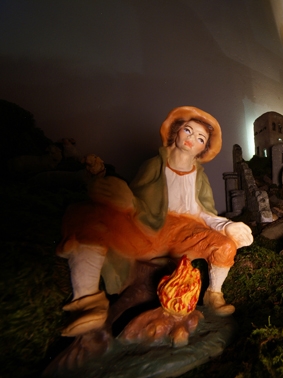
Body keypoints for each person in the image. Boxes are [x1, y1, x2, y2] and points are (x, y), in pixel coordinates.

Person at [57, 106, 252, 337]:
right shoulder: (154, 165)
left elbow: (204, 212)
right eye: (188, 130)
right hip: (151, 228)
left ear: (204, 149)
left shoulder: (200, 177)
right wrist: (127, 201)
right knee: (92, 219)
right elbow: (137, 202)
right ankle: (89, 302)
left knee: (225, 246)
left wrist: (227, 225)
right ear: (175, 132)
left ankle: (214, 294)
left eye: (200, 138)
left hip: (187, 231)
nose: (192, 139)